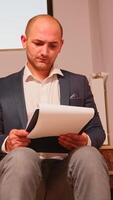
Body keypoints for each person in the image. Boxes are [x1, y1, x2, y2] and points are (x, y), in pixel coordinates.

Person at [0, 14, 111, 200]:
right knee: (22, 157)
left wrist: (85, 140)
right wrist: (7, 143)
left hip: (66, 172)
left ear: (61, 45)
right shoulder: (3, 87)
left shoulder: (78, 83)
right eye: (38, 43)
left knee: (90, 155)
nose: (45, 51)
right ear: (24, 41)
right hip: (21, 171)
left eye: (52, 45)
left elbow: (98, 131)